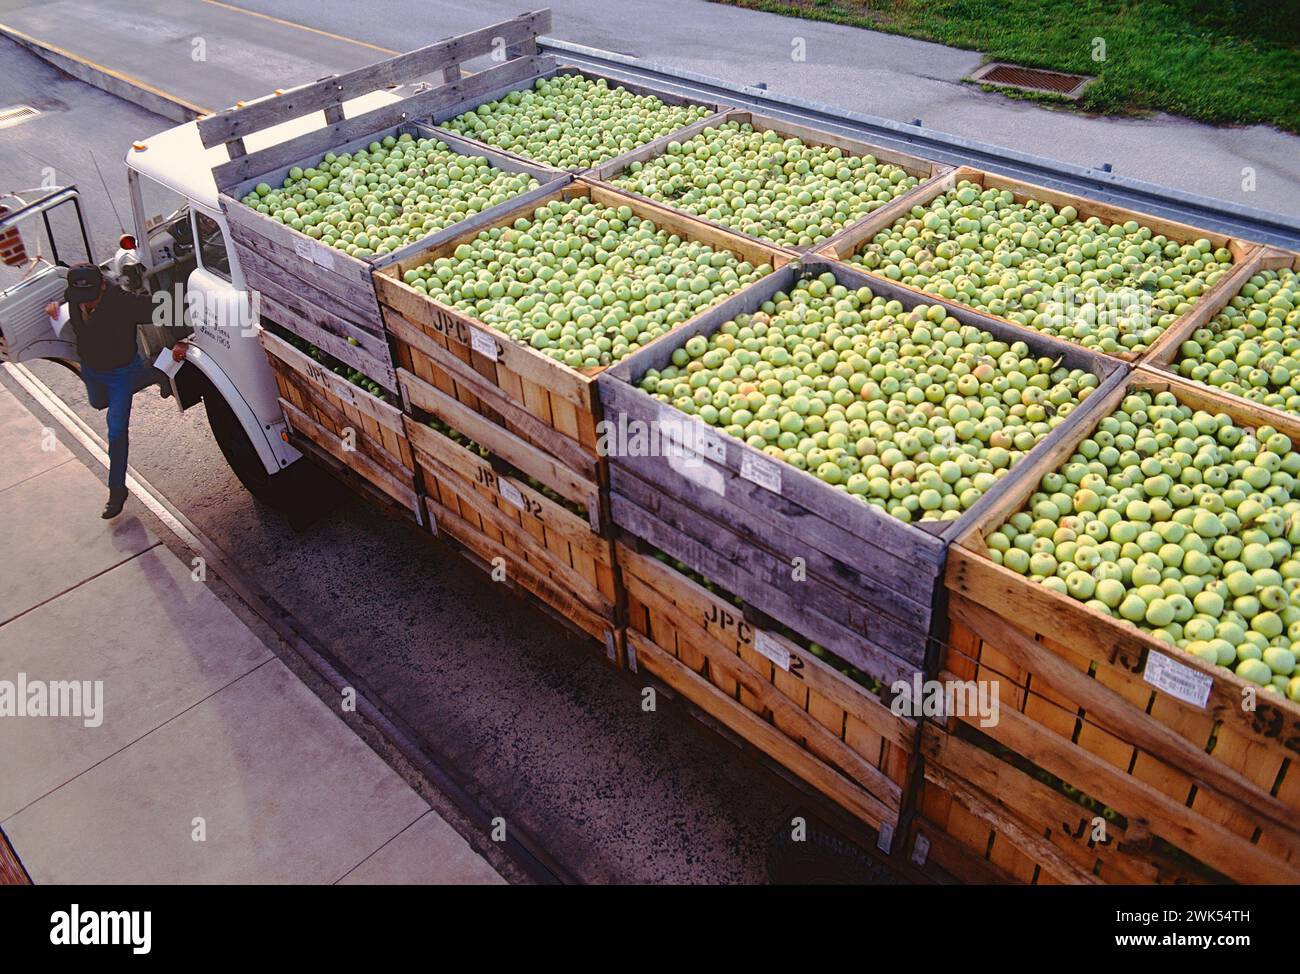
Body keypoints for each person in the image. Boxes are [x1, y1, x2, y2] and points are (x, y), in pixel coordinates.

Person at [46, 263, 185, 519]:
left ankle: (117, 490)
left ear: (102, 286)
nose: (86, 305)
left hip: (120, 373)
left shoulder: (123, 302)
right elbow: (65, 302)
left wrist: (185, 336)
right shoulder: (75, 295)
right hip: (91, 370)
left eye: (91, 299)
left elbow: (166, 309)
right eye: (80, 300)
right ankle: (151, 372)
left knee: (117, 431)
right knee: (98, 403)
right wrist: (54, 308)